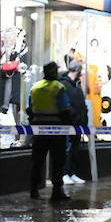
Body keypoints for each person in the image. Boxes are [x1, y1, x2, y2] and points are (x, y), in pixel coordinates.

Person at [26, 61, 71, 202]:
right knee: (58, 161)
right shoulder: (58, 88)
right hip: (56, 130)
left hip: (39, 130)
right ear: (54, 72)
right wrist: (68, 126)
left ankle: (33, 189)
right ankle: (57, 192)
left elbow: (30, 109)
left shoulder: (35, 87)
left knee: (37, 160)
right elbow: (65, 110)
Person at [57, 67, 89, 186]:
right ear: (76, 70)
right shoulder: (63, 84)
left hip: (78, 123)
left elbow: (82, 104)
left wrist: (84, 120)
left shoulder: (77, 85)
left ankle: (72, 173)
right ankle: (64, 173)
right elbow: (63, 104)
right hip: (68, 123)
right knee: (67, 149)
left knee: (75, 149)